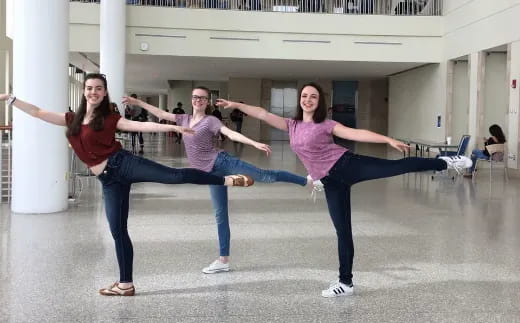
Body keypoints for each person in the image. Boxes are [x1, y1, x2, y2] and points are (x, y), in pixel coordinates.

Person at [0, 73, 254, 297]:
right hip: (108, 180)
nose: (93, 92)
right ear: (84, 91)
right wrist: (12, 100)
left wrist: (171, 129)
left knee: (174, 176)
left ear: (104, 92)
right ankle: (125, 284)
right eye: (89, 88)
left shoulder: (109, 119)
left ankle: (225, 180)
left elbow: (140, 125)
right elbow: (37, 112)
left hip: (124, 164)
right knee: (118, 230)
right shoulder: (71, 119)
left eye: (98, 88)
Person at [216, 82, 472, 297]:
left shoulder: (326, 125)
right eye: (304, 96)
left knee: (397, 167)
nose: (308, 100)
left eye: (313, 96)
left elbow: (357, 134)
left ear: (319, 101)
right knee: (343, 230)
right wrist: (236, 105)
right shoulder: (291, 125)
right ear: (300, 100)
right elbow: (261, 113)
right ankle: (345, 282)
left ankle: (446, 162)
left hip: (348, 165)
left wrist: (387, 139)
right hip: (331, 183)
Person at [123, 86, 310, 274]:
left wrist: (253, 143)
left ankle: (306, 181)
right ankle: (223, 260)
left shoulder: (211, 120)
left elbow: (230, 134)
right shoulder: (183, 119)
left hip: (222, 162)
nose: (198, 100)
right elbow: (160, 113)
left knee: (264, 176)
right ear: (191, 99)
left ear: (207, 102)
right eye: (195, 97)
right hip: (209, 174)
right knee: (220, 215)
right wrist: (138, 102)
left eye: (202, 98)